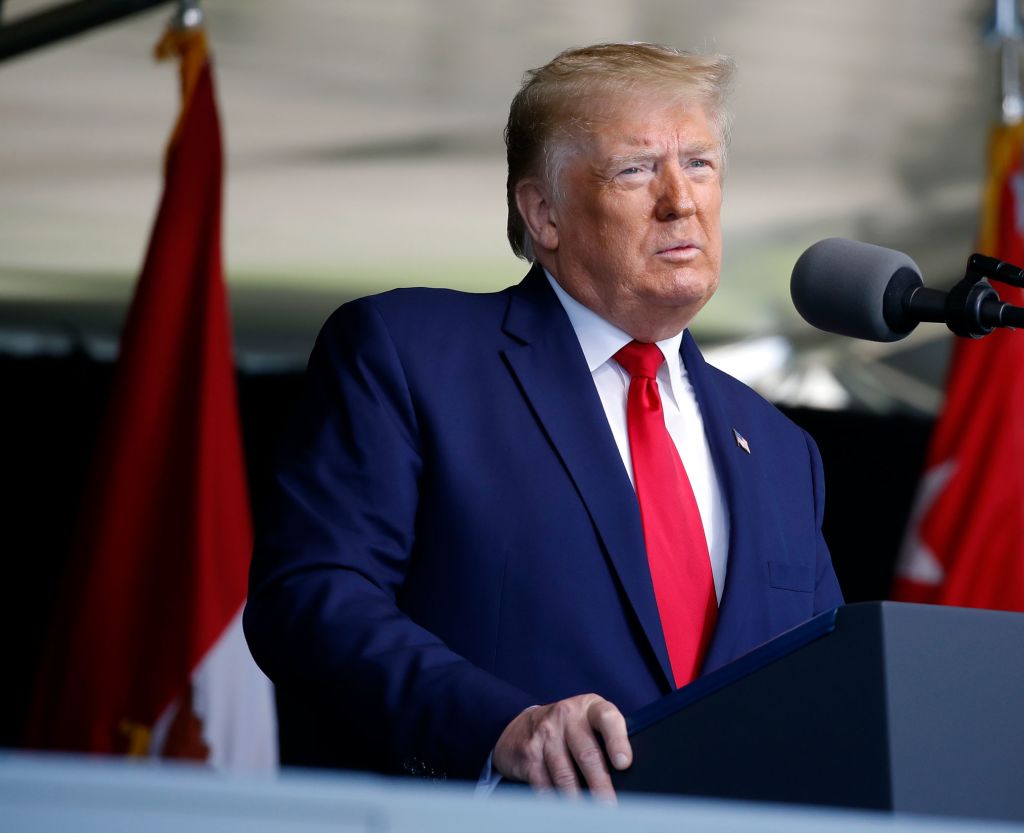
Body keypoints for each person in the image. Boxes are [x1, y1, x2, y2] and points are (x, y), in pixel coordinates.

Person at [244, 43, 844, 800]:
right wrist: (501, 726)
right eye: (635, 169)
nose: (680, 200)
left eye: (699, 164)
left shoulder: (783, 451)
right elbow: (310, 597)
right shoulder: (410, 355)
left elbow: (827, 685)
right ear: (544, 213)